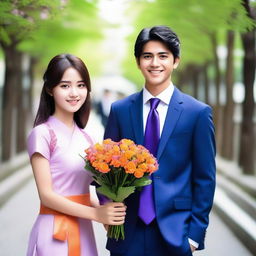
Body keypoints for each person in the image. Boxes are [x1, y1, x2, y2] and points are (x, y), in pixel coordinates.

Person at [104, 26, 216, 256]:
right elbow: (104, 167)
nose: (155, 63)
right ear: (138, 62)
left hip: (176, 232)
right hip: (127, 232)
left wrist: (195, 236)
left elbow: (205, 178)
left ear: (175, 61)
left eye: (163, 56)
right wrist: (108, 208)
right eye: (147, 56)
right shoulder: (120, 110)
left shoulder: (197, 113)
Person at [26, 54, 126, 256]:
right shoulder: (43, 134)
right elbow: (46, 196)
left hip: (83, 229)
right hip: (55, 231)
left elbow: (81, 192)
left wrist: (109, 211)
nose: (74, 93)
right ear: (49, 89)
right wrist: (96, 214)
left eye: (80, 85)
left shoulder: (87, 139)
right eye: (65, 86)